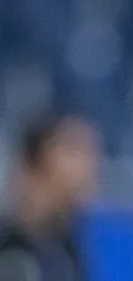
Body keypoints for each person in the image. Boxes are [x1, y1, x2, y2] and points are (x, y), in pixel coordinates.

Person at [0, 115, 99, 281]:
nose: (90, 165)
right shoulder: (8, 244)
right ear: (37, 161)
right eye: (74, 149)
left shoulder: (67, 249)